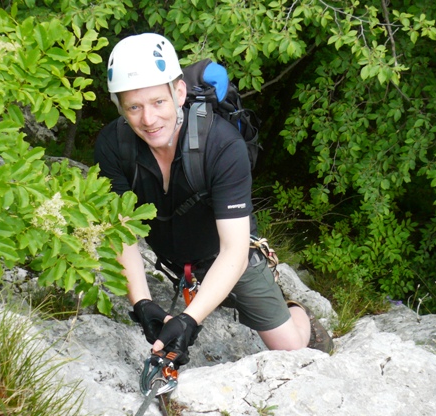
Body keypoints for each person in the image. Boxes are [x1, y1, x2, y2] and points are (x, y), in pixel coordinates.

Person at [94, 33, 332, 366]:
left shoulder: (222, 146)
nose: (148, 119)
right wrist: (142, 304)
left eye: (158, 103)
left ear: (178, 93)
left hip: (227, 252)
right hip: (174, 257)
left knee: (290, 346)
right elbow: (121, 233)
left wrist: (188, 321)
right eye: (134, 107)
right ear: (120, 106)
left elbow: (234, 250)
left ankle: (297, 313)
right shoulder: (113, 146)